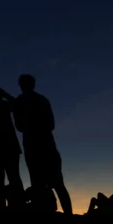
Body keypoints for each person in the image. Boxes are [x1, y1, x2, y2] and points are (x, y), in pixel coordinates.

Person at [14, 74, 72, 214]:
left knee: (52, 184)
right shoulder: (33, 101)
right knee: (48, 185)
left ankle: (65, 215)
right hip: (39, 146)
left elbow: (22, 126)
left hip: (42, 147)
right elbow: (21, 126)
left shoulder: (34, 101)